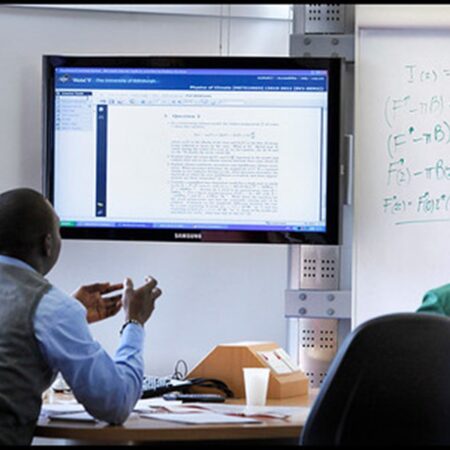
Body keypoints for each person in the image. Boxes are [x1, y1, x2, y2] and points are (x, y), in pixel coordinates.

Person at [0, 187, 162, 445]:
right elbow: (115, 403)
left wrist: (68, 315)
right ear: (48, 244)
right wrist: (134, 322)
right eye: (59, 230)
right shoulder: (51, 307)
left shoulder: (53, 310)